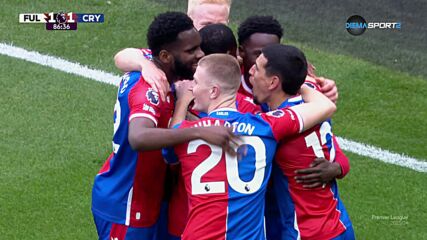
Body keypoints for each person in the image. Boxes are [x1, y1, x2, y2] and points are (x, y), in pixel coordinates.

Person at [91, 12, 237, 240]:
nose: (200, 55)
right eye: (191, 51)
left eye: (198, 47)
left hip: (148, 198)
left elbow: (123, 55)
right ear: (166, 56)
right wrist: (199, 130)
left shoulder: (155, 64)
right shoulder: (149, 91)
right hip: (127, 204)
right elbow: (139, 137)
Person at [162, 51, 336, 239]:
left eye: (195, 83)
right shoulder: (266, 126)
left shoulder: (187, 132)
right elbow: (326, 106)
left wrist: (181, 102)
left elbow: (169, 152)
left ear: (213, 91)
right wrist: (298, 81)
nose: (192, 88)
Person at [249, 44, 354, 239]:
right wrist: (339, 167)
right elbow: (335, 148)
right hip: (339, 225)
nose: (250, 71)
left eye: (256, 68)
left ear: (273, 82)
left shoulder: (280, 126)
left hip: (305, 233)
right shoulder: (313, 102)